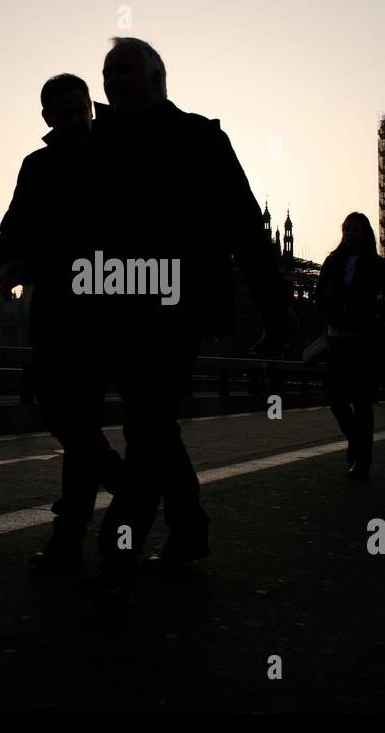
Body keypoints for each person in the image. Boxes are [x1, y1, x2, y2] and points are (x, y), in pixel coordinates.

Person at [81, 36, 293, 606]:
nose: (110, 79)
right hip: (113, 306)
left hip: (173, 309)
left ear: (156, 77)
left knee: (147, 430)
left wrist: (276, 311)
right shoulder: (97, 142)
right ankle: (190, 526)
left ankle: (117, 556)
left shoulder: (200, 138)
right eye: (105, 71)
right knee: (152, 426)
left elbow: (247, 229)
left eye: (122, 69)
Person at [0, 74, 122, 573]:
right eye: (66, 112)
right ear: (47, 118)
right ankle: (124, 491)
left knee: (77, 424)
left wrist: (36, 266)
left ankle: (68, 539)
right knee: (64, 416)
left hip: (99, 309)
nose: (76, 119)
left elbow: (107, 239)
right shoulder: (37, 165)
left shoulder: (112, 159)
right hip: (53, 312)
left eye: (83, 110)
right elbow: (15, 229)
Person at [315, 213, 385, 481]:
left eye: (356, 230)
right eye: (347, 229)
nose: (350, 234)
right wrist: (326, 315)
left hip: (363, 342)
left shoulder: (377, 265)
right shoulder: (333, 261)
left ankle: (363, 460)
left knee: (362, 401)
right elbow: (319, 293)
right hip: (336, 338)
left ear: (366, 234)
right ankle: (355, 440)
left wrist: (375, 319)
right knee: (335, 398)